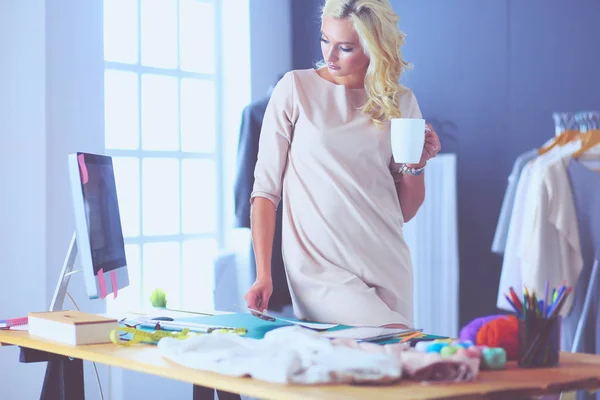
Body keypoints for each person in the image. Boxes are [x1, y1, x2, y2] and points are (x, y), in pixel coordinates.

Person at [244, 0, 441, 328]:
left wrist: (416, 165)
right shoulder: (295, 89)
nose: (330, 56)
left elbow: (404, 210)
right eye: (325, 40)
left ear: (374, 47)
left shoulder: (400, 101)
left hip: (386, 259)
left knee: (387, 373)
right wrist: (263, 274)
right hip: (319, 270)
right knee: (397, 340)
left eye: (345, 47)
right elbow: (265, 191)